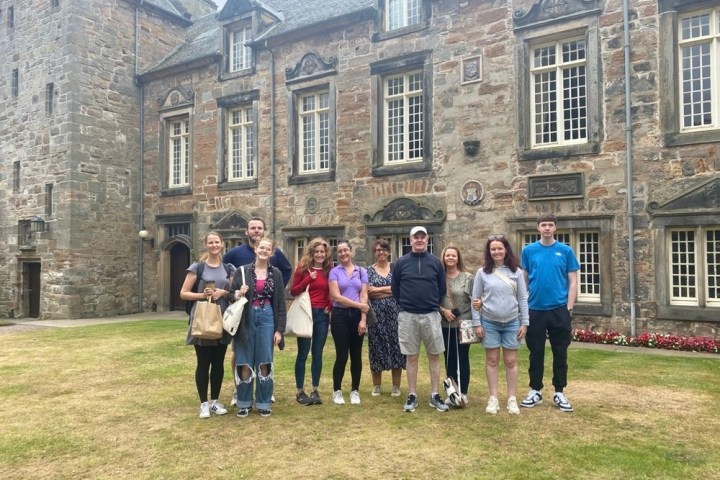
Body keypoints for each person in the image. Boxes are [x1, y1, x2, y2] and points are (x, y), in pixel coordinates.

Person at [223, 216, 291, 406]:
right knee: (241, 357)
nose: (256, 230)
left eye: (259, 227)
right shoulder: (238, 258)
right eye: (252, 228)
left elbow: (282, 289)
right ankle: (241, 395)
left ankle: (264, 397)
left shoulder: (274, 271)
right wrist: (236, 291)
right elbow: (225, 275)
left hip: (267, 314)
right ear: (247, 232)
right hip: (245, 315)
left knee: (264, 358)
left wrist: (276, 287)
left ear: (271, 252)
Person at [520, 214, 579, 413]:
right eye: (543, 225)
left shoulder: (565, 251)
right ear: (538, 228)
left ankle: (559, 392)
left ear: (555, 228)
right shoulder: (529, 251)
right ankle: (535, 390)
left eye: (550, 225)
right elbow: (524, 280)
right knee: (535, 352)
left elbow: (572, 281)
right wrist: (525, 304)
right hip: (535, 309)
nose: (546, 228)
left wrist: (569, 307)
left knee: (560, 352)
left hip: (559, 310)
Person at [391, 226, 449, 413]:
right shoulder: (401, 263)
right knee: (412, 356)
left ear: (427, 240)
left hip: (431, 314)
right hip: (408, 315)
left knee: (434, 355)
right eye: (416, 237)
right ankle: (412, 394)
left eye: (423, 237)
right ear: (410, 240)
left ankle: (434, 395)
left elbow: (441, 289)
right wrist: (408, 303)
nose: (419, 240)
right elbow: (395, 289)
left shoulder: (435, 262)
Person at [180, 231, 236, 419]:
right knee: (203, 362)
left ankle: (215, 401)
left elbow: (232, 293)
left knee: (218, 363)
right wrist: (203, 295)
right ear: (206, 245)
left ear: (222, 245)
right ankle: (203, 403)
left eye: (217, 242)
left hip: (221, 318)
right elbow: (184, 293)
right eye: (210, 242)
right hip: (203, 317)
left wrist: (224, 292)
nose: (214, 245)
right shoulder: (198, 268)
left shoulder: (228, 268)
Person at [471, 235, 529, 414]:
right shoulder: (482, 273)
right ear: (489, 252)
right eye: (493, 249)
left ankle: (512, 398)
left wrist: (525, 322)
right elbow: (475, 299)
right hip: (489, 322)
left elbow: (522, 299)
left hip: (512, 322)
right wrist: (477, 323)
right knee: (492, 360)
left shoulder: (516, 272)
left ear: (506, 250)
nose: (496, 252)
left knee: (511, 361)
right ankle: (493, 398)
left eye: (499, 248)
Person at [290, 237, 333, 406]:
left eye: (322, 252)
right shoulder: (303, 269)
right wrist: (308, 279)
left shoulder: (330, 270)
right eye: (316, 252)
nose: (319, 254)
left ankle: (315, 389)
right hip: (306, 313)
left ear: (326, 253)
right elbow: (293, 291)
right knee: (302, 354)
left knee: (317, 354)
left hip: (322, 315)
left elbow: (332, 290)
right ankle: (300, 391)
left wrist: (330, 305)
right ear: (311, 252)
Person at [328, 240, 368, 406]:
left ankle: (354, 390)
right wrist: (359, 305)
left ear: (351, 252)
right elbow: (336, 297)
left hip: (357, 317)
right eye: (340, 251)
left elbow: (364, 295)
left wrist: (363, 319)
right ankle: (337, 390)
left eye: (346, 250)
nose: (343, 253)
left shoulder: (362, 271)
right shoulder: (334, 272)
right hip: (340, 315)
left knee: (356, 355)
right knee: (342, 355)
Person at [367, 238, 405, 397]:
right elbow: (368, 291)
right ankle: (377, 385)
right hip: (376, 314)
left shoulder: (396, 268)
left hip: (395, 313)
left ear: (388, 251)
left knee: (397, 346)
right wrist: (388, 290)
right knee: (377, 346)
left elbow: (400, 288)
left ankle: (396, 386)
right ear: (374, 253)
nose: (381, 252)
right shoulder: (368, 270)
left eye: (383, 249)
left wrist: (378, 290)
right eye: (377, 250)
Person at [438, 244, 474, 407]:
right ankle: (452, 391)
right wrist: (443, 311)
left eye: (453, 255)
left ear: (458, 258)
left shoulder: (468, 277)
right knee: (449, 358)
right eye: (447, 255)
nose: (450, 258)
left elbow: (475, 300)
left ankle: (463, 392)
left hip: (463, 324)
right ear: (443, 258)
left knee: (463, 357)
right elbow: (433, 300)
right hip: (445, 323)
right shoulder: (438, 278)